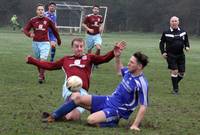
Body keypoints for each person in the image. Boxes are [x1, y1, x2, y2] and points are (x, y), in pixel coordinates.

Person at [41, 51, 149, 132]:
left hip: (117, 110)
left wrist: (135, 125)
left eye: (132, 62)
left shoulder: (142, 83)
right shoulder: (129, 72)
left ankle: (113, 121)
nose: (128, 64)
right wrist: (117, 57)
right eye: (129, 61)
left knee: (91, 120)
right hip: (108, 100)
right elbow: (119, 71)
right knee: (76, 97)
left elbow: (143, 106)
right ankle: (53, 116)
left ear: (139, 66)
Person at [26, 38, 126, 121]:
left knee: (73, 117)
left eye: (81, 46)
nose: (79, 49)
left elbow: (104, 58)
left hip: (83, 91)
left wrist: (113, 52)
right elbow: (50, 65)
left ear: (84, 47)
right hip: (70, 88)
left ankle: (61, 115)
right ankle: (54, 116)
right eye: (76, 46)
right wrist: (33, 61)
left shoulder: (89, 57)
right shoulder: (66, 59)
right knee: (75, 95)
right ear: (72, 48)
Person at [23, 3, 61, 84]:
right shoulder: (32, 20)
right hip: (35, 43)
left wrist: (58, 39)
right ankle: (42, 74)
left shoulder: (48, 20)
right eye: (39, 10)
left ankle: (40, 76)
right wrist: (29, 34)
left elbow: (55, 30)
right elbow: (25, 29)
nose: (41, 11)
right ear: (36, 11)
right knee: (38, 61)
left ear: (44, 11)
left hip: (45, 43)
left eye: (42, 10)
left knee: (42, 60)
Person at [159, 16, 190, 94]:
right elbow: (161, 43)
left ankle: (174, 84)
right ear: (170, 22)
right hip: (170, 55)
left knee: (182, 73)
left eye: (175, 21)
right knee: (175, 71)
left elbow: (186, 41)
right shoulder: (166, 32)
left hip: (181, 55)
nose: (174, 22)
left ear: (178, 22)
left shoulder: (183, 32)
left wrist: (187, 46)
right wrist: (163, 52)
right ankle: (175, 90)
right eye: (172, 21)